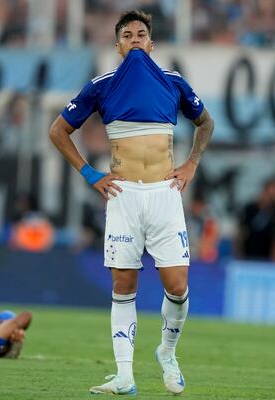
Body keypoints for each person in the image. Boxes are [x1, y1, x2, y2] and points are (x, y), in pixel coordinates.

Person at [48, 10, 214, 396]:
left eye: (141, 34)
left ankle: (167, 352)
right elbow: (58, 131)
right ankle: (124, 376)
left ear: (151, 43)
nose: (135, 39)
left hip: (164, 195)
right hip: (123, 196)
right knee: (124, 285)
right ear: (118, 46)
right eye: (127, 35)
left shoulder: (173, 83)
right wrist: (90, 173)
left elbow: (205, 123)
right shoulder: (101, 86)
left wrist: (191, 163)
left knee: (178, 285)